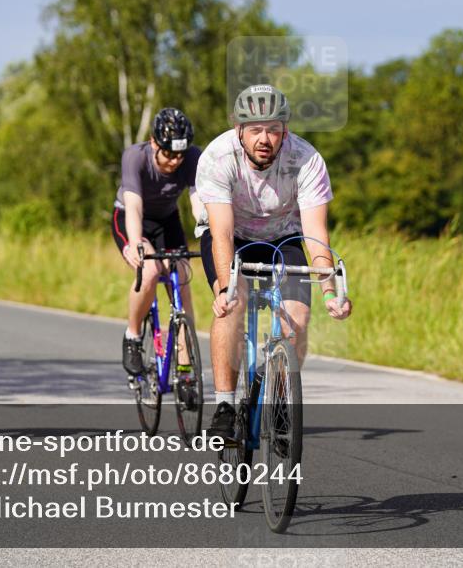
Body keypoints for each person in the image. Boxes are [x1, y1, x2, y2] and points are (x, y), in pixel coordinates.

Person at [195, 84, 352, 439]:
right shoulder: (218, 157)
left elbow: (315, 234)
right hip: (231, 236)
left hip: (285, 236)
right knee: (235, 301)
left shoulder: (306, 159)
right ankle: (223, 404)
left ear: (285, 130)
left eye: (273, 129)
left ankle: (278, 397)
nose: (264, 138)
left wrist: (330, 291)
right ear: (239, 130)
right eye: (255, 130)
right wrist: (225, 287)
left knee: (298, 315)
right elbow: (220, 231)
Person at [111, 107, 205, 376]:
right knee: (150, 271)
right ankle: (132, 335)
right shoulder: (135, 157)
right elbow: (134, 206)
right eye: (169, 153)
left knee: (183, 276)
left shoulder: (192, 158)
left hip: (167, 220)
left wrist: (206, 230)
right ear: (154, 143)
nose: (176, 161)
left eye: (180, 154)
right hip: (131, 217)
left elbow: (197, 201)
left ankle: (185, 368)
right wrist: (134, 242)